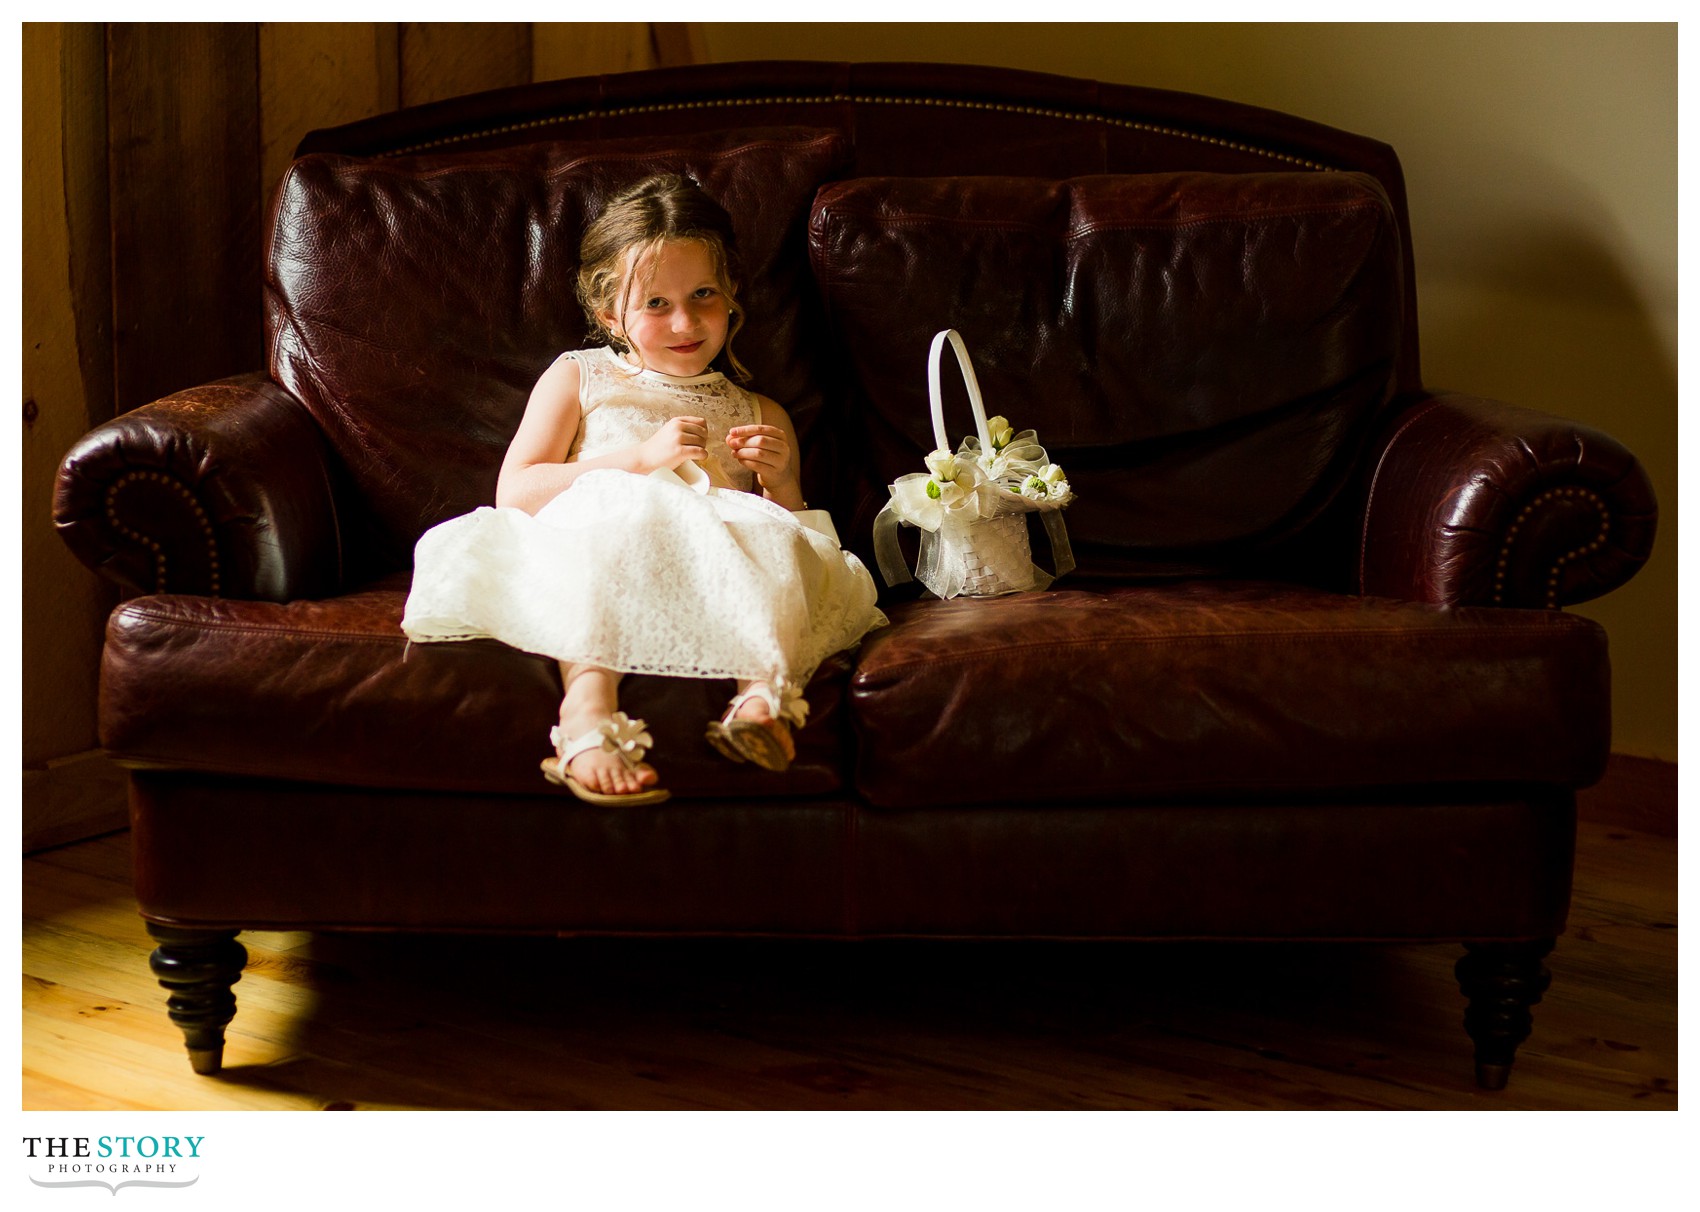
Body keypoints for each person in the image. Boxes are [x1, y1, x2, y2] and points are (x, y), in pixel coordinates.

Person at [401, 174, 885, 805]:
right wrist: (636, 459)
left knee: (769, 535)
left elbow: (801, 546)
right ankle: (587, 712)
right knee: (625, 504)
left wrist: (783, 484)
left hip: (717, 575)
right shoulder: (581, 377)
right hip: (608, 550)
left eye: (703, 294)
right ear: (611, 315)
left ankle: (760, 699)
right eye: (655, 304)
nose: (685, 321)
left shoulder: (757, 410)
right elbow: (516, 493)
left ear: (733, 292)